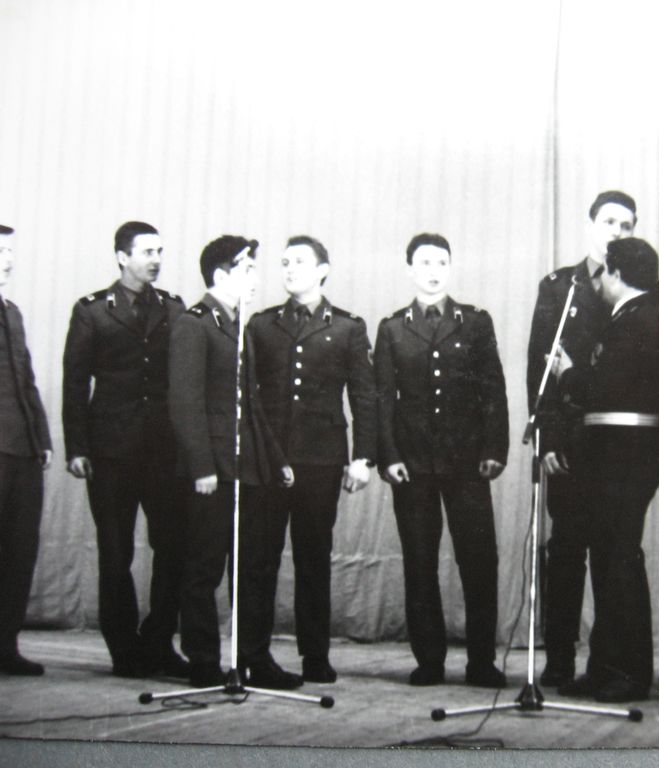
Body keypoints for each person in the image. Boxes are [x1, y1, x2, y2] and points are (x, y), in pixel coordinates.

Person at [549, 237, 659, 703]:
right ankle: (605, 667)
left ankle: (631, 672)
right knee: (609, 559)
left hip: (626, 455)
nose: (601, 280)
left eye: (605, 272)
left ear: (618, 273)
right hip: (615, 454)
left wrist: (567, 373)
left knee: (620, 559)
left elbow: (607, 389)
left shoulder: (642, 319)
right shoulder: (636, 317)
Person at [374, 233, 509, 688]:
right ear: (410, 269)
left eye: (441, 263)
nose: (433, 271)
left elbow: (493, 390)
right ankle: (429, 661)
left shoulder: (475, 322)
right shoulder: (392, 328)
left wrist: (494, 450)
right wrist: (388, 457)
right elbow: (383, 399)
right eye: (424, 263)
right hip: (413, 465)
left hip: (467, 463)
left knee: (479, 562)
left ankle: (481, 661)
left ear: (451, 267)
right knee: (419, 562)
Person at [169, 235, 300, 689]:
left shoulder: (238, 325)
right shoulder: (193, 324)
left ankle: (252, 658)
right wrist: (201, 467)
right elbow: (185, 402)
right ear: (221, 275)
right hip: (213, 470)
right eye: (247, 271)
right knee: (204, 567)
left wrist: (276, 459)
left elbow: (251, 403)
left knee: (253, 568)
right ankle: (204, 659)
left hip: (248, 467)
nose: (255, 280)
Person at [62, 221, 188, 678]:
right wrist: (77, 447)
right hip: (110, 451)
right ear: (122, 257)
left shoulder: (173, 308)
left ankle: (158, 641)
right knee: (116, 553)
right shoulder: (93, 311)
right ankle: (124, 649)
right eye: (147, 252)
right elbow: (75, 383)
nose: (156, 260)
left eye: (160, 251)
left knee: (173, 546)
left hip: (164, 451)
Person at [248, 235, 376, 684]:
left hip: (321, 461)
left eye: (300, 261)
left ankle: (315, 656)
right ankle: (253, 654)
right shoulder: (261, 325)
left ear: (323, 270)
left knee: (314, 558)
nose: (289, 269)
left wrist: (363, 457)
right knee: (259, 559)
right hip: (268, 460)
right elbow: (249, 396)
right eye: (284, 262)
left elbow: (364, 395)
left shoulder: (347, 327)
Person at [525, 189, 638, 687]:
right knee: (566, 551)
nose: (617, 232)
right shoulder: (559, 287)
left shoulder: (641, 285)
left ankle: (605, 662)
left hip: (616, 443)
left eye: (627, 225)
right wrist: (547, 438)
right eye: (609, 222)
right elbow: (540, 368)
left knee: (611, 554)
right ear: (590, 225)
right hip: (569, 439)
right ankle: (559, 659)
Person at [0, 224, 52, 676]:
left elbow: (26, 380)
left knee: (18, 552)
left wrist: (42, 439)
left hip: (22, 451)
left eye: (10, 251)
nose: (8, 260)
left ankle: (5, 645)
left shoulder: (12, 313)